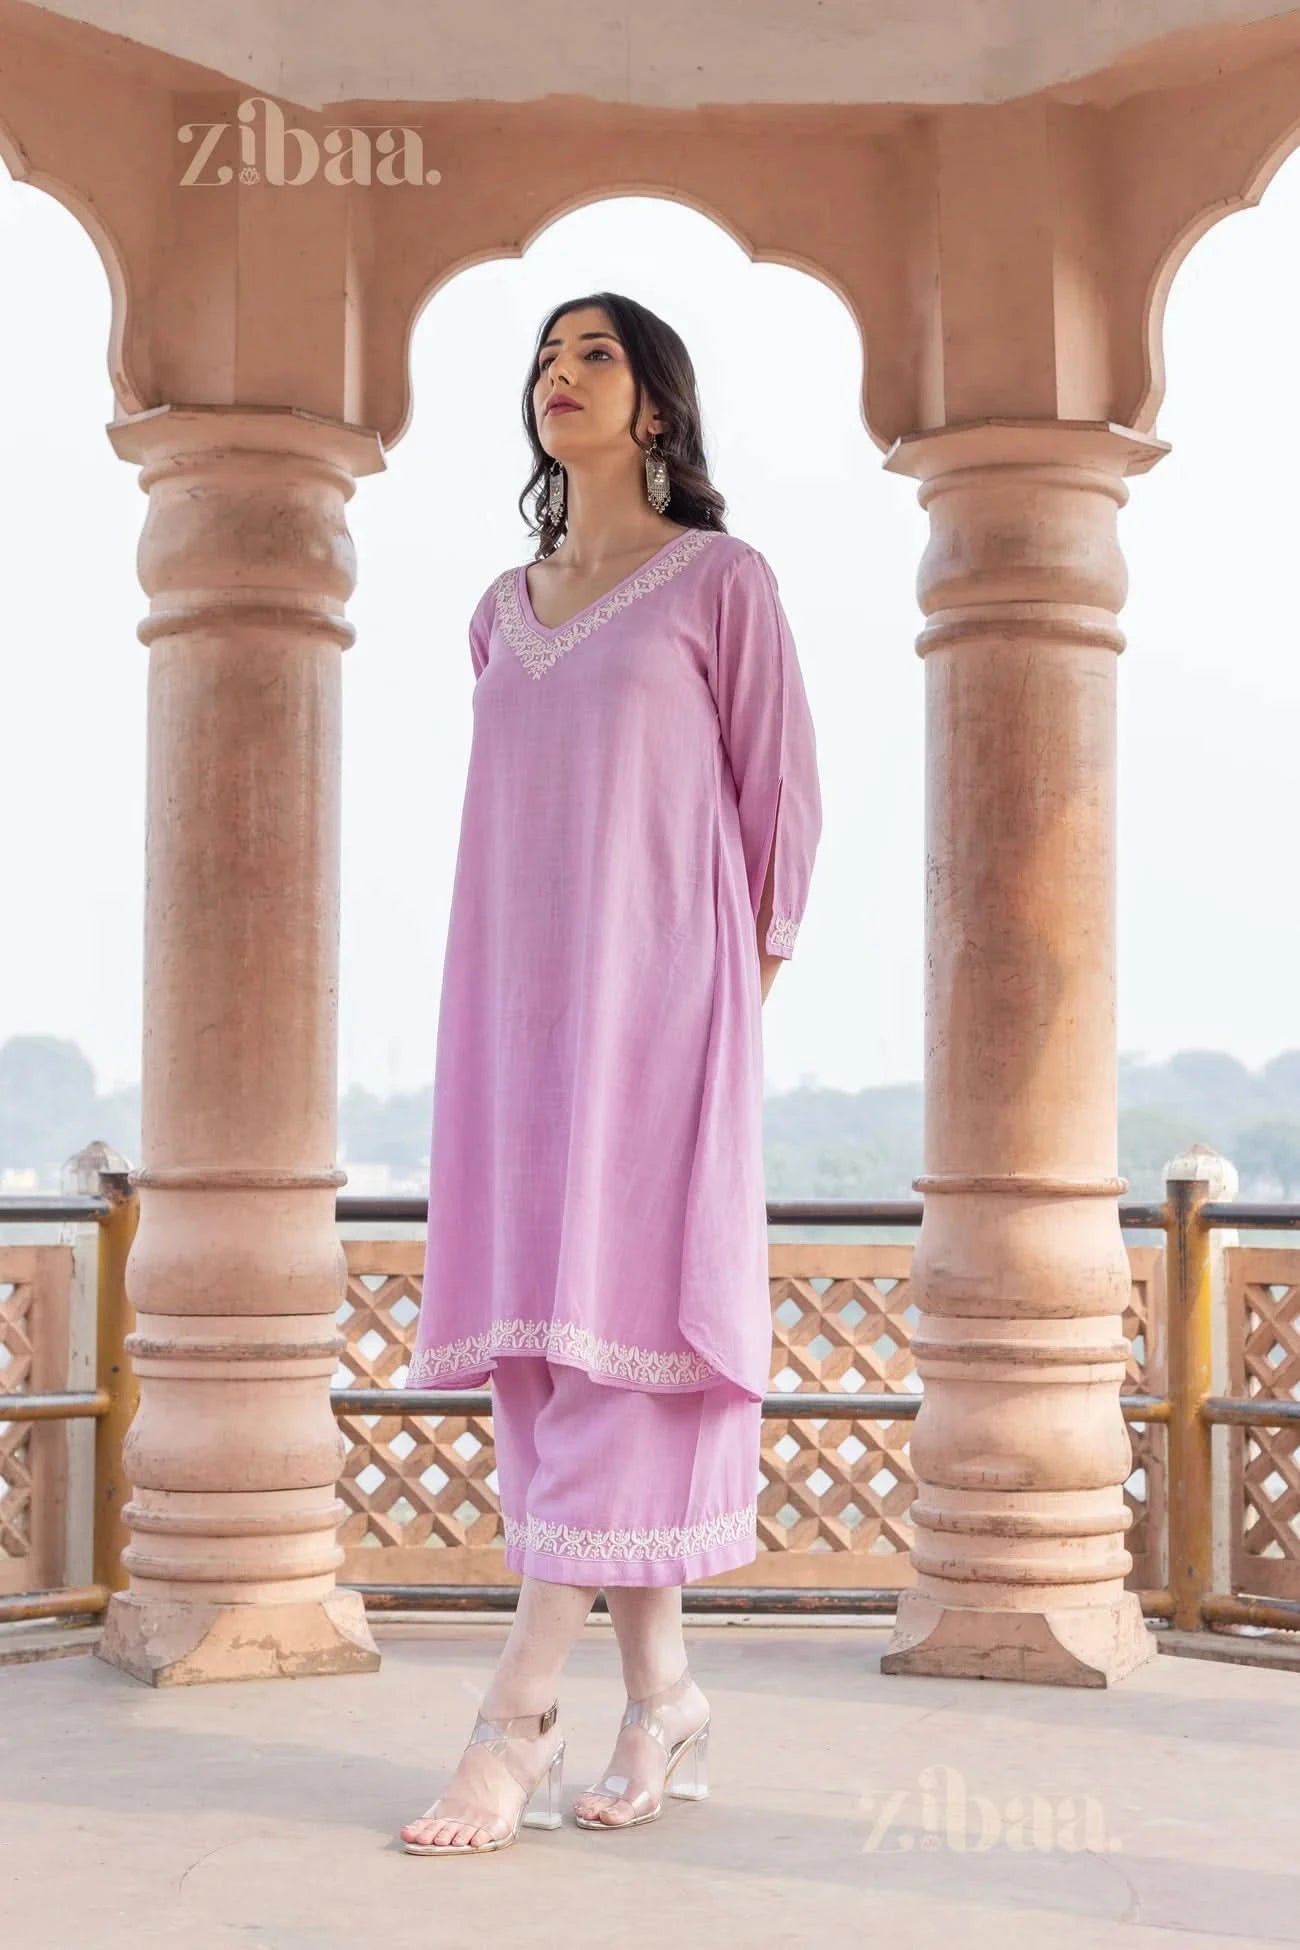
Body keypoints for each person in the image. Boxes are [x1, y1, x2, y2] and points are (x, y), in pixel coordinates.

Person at [399, 291, 823, 1856]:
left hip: (668, 1030)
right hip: (515, 1028)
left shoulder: (723, 583)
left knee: (627, 1340)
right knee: (567, 1357)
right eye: (543, 355)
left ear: (657, 403)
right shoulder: (498, 610)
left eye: (594, 354)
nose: (556, 376)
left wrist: (711, 1027)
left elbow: (782, 819)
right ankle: (666, 1697)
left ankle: (516, 1713)